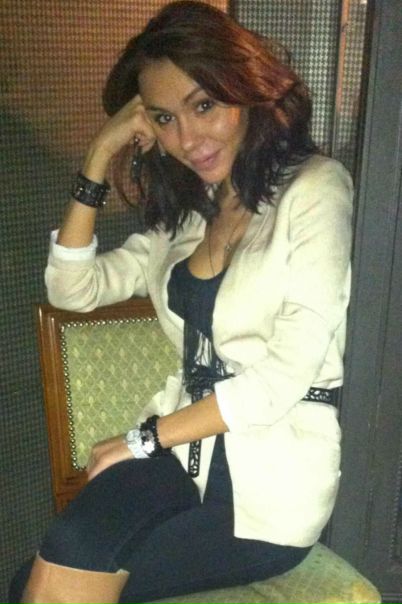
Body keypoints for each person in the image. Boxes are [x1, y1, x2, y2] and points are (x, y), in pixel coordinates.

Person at [12, 1, 353, 603]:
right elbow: (72, 289)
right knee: (48, 568)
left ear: (245, 91)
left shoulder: (315, 188)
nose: (188, 139)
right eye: (165, 118)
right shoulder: (186, 220)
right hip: (182, 460)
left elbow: (283, 377)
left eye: (204, 106)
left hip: (269, 488)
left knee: (60, 587)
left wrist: (145, 439)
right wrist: (100, 154)